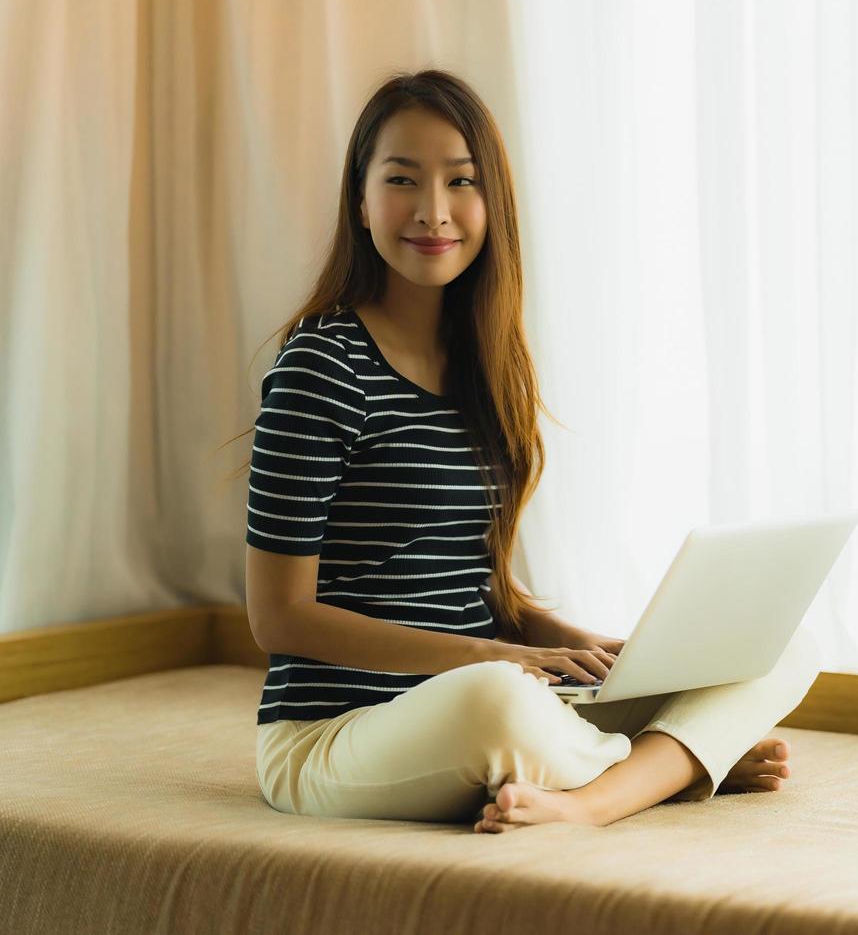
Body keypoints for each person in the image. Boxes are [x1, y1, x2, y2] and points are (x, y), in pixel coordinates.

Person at [231, 69, 821, 834]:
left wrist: (578, 647)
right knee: (499, 700)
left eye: (461, 181)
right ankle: (667, 767)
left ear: (492, 203)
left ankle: (617, 773)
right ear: (361, 199)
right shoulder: (322, 366)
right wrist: (495, 658)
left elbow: (481, 587)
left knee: (776, 641)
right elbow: (279, 619)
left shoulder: (483, 364)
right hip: (334, 735)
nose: (433, 211)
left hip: (475, 688)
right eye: (402, 179)